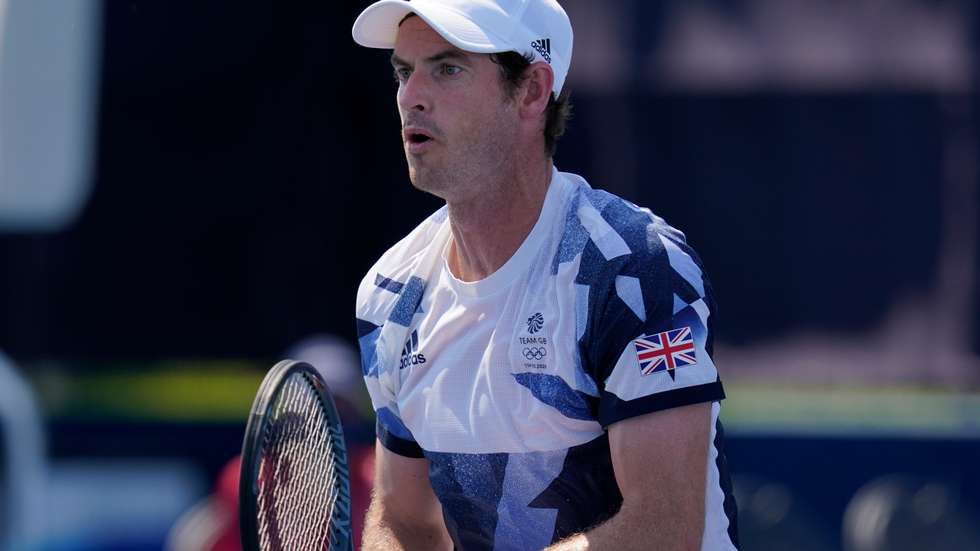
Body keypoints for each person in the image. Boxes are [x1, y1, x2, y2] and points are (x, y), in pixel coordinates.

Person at [351, 1, 739, 549]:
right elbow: (403, 520)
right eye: (403, 71)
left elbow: (662, 528)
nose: (411, 96)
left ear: (532, 92)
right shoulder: (388, 294)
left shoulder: (634, 269)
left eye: (448, 68)